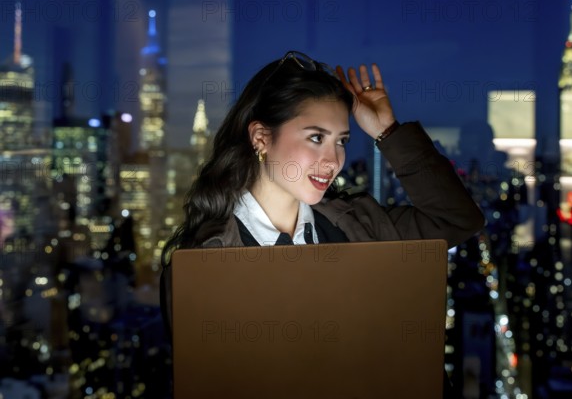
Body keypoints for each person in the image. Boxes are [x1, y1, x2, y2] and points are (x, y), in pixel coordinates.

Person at [160, 50, 485, 335]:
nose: (333, 161)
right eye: (316, 138)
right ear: (261, 137)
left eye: (341, 141)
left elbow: (456, 219)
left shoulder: (359, 224)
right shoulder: (204, 264)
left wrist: (387, 131)